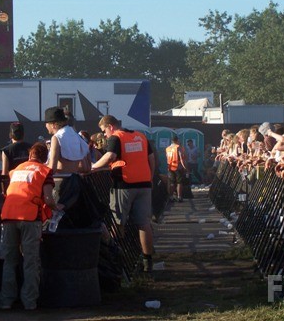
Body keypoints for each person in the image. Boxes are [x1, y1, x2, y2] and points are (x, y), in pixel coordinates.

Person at [0, 143, 61, 311]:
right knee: (30, 262)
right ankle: (29, 302)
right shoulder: (44, 171)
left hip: (8, 216)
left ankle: (5, 301)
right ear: (45, 157)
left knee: (9, 261)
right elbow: (48, 199)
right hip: (30, 218)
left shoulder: (17, 169)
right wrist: (57, 207)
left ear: (29, 154)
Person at [92, 115, 156, 272]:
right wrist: (150, 177)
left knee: (119, 221)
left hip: (124, 184)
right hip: (144, 184)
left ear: (110, 127)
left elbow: (110, 156)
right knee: (144, 223)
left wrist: (93, 167)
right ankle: (148, 261)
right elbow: (152, 159)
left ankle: (118, 261)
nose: (105, 135)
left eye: (104, 131)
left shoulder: (116, 138)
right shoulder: (141, 137)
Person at [44, 107, 90, 174]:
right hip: (75, 180)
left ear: (53, 125)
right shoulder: (77, 136)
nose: (45, 126)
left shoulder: (56, 138)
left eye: (46, 123)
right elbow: (86, 167)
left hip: (60, 181)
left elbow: (52, 169)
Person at [166, 135, 186, 202]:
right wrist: (185, 167)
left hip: (170, 167)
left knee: (172, 182)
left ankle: (171, 197)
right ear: (177, 140)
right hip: (178, 167)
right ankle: (179, 197)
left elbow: (167, 158)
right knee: (179, 182)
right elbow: (181, 158)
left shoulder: (167, 148)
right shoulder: (178, 147)